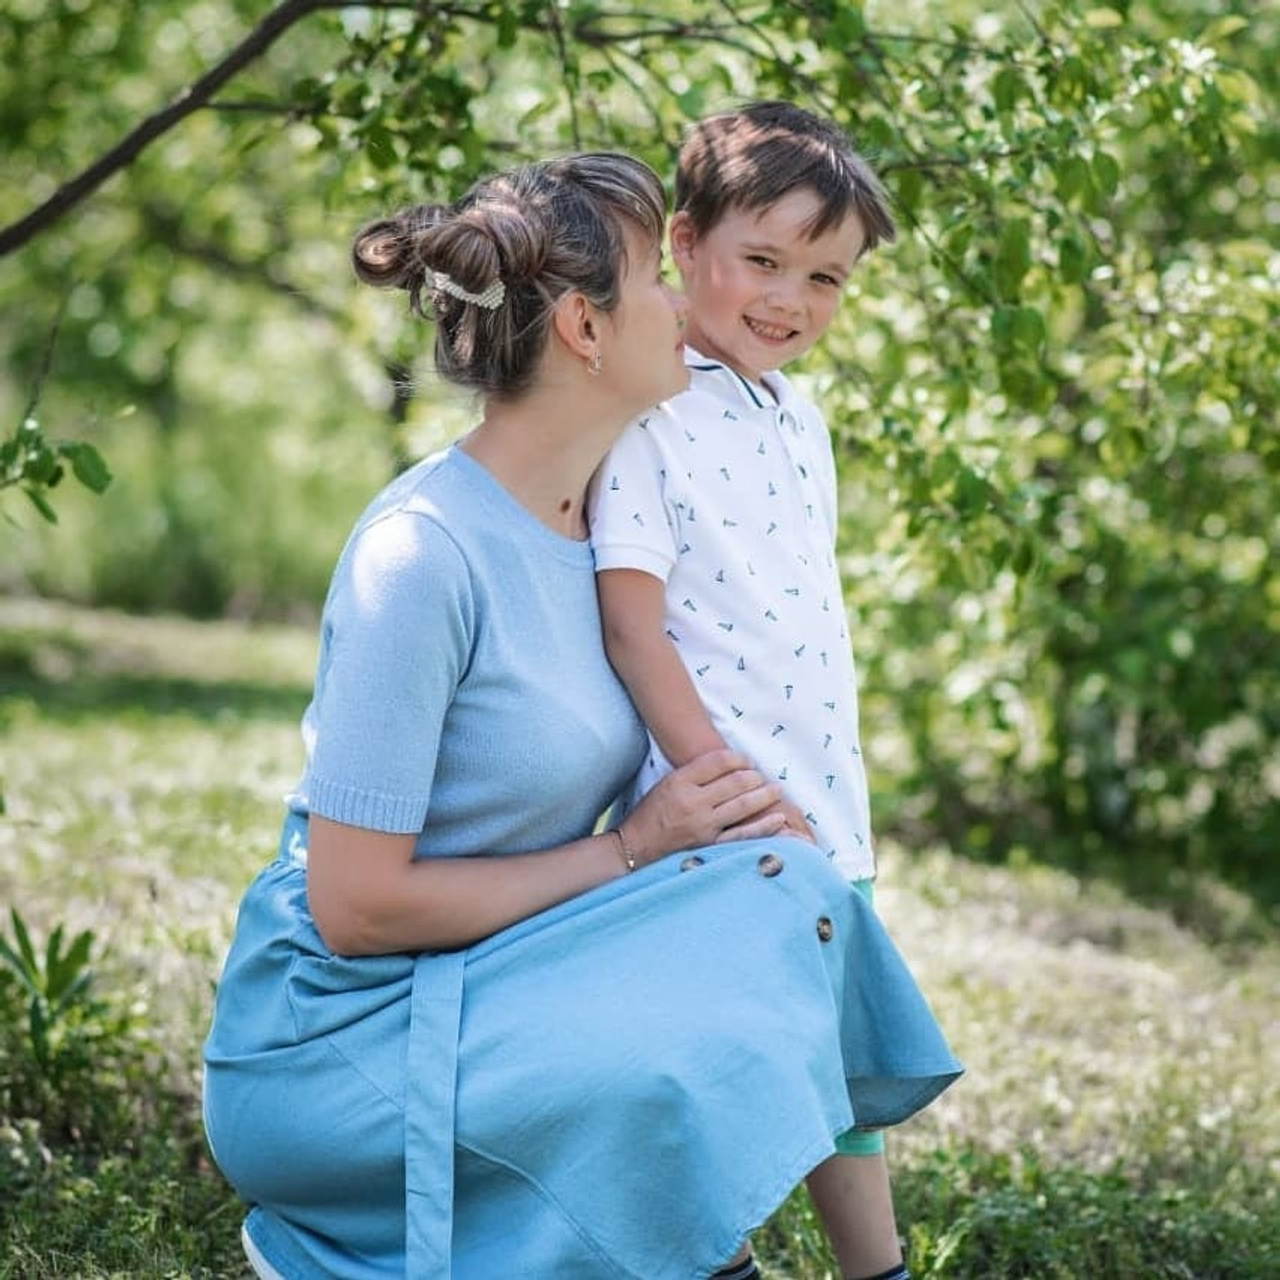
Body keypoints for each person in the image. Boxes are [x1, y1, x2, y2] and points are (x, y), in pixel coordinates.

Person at [203, 150, 961, 1280]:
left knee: (784, 888)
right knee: (671, 1020)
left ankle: (726, 1245)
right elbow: (355, 907)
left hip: (505, 970)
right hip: (340, 1041)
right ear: (582, 329)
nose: (683, 301)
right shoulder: (420, 556)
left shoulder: (602, 531)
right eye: (658, 274)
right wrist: (628, 849)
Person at [588, 103, 925, 1280]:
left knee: (832, 1065)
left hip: (822, 795)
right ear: (684, 243)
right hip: (720, 805)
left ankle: (872, 1269)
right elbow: (632, 623)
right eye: (763, 262)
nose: (789, 300)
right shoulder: (647, 403)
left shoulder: (801, 412)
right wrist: (717, 784)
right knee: (714, 1048)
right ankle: (710, 1255)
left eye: (824, 277)